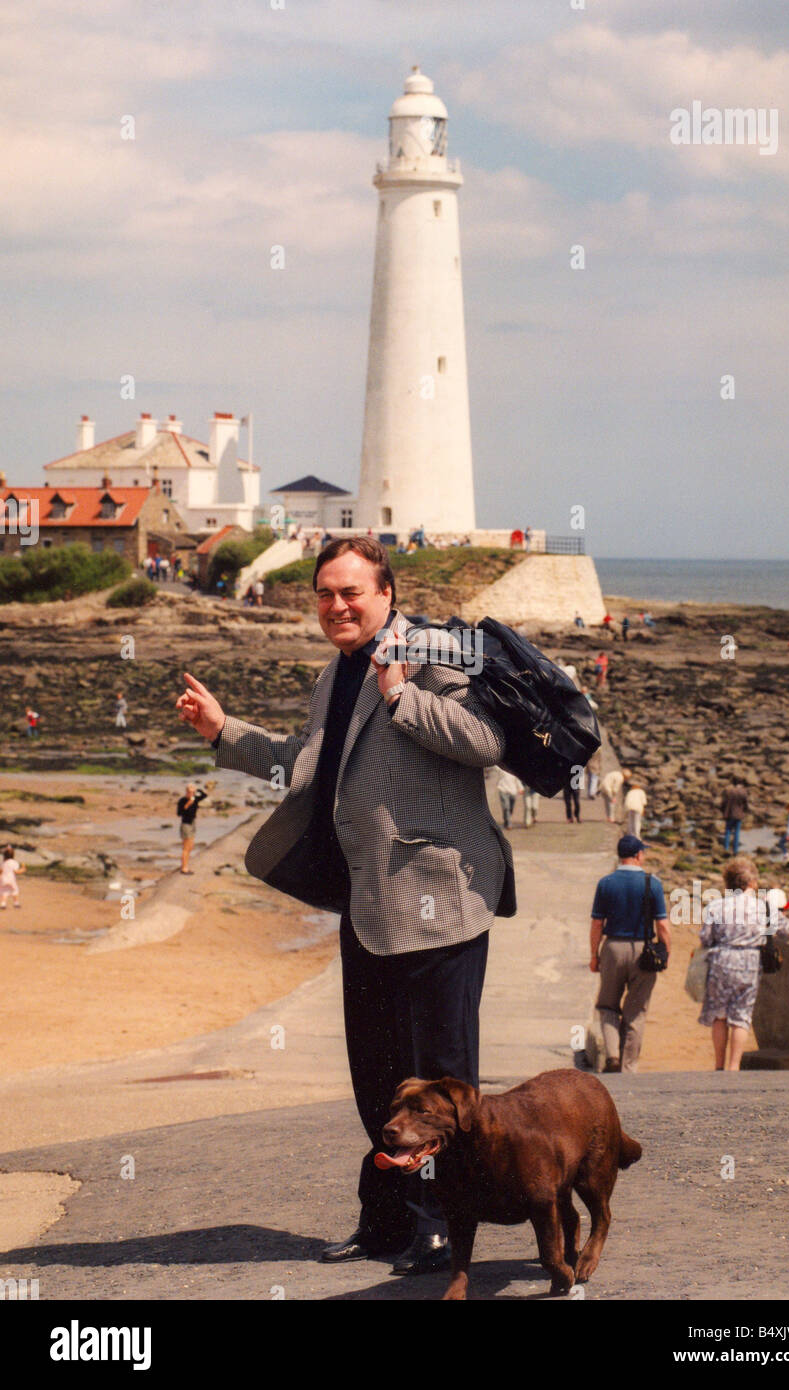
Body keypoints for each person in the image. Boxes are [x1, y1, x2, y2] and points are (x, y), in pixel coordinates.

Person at [175, 536, 515, 1277]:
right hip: (368, 907)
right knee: (377, 1076)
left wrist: (401, 694)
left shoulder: (435, 652)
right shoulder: (334, 674)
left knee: (442, 1085)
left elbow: (486, 741)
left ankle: (442, 1227)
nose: (337, 605)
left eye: (352, 592)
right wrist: (222, 734)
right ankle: (388, 1219)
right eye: (325, 593)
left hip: (440, 904)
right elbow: (304, 766)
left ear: (386, 592)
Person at [698, 857, 789, 1070]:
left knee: (719, 1015)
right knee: (741, 1016)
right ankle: (734, 1067)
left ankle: (718, 1065)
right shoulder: (762, 908)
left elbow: (705, 938)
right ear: (752, 882)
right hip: (749, 961)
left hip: (721, 960)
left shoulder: (716, 906)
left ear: (728, 882)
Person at [590, 835, 670, 1072]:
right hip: (643, 951)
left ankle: (613, 1055)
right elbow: (663, 926)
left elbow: (596, 925)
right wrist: (665, 952)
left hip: (613, 947)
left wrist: (594, 955)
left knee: (607, 1006)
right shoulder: (652, 883)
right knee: (636, 1012)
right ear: (637, 855)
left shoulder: (606, 883)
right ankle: (628, 1067)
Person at [177, 783, 207, 874]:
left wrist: (197, 790)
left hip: (193, 823)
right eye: (190, 792)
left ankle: (186, 865)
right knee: (186, 848)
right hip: (186, 824)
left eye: (193, 792)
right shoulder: (182, 800)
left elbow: (204, 795)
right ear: (186, 792)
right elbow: (179, 813)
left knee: (190, 847)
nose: (191, 794)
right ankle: (184, 868)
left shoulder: (195, 799)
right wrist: (188, 804)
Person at [720, 781, 748, 854]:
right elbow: (746, 805)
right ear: (741, 785)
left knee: (728, 831)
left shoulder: (729, 792)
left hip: (729, 814)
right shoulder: (743, 793)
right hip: (739, 815)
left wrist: (723, 811)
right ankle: (735, 850)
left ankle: (726, 849)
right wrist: (744, 812)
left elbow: (723, 803)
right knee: (737, 833)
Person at [0, 846, 25, 910]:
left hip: (3, 879)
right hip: (11, 879)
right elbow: (16, 871)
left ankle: (3, 904)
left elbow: (1, 871)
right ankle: (16, 903)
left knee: (4, 891)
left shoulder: (3, 863)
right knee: (15, 890)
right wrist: (23, 868)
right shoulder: (14, 862)